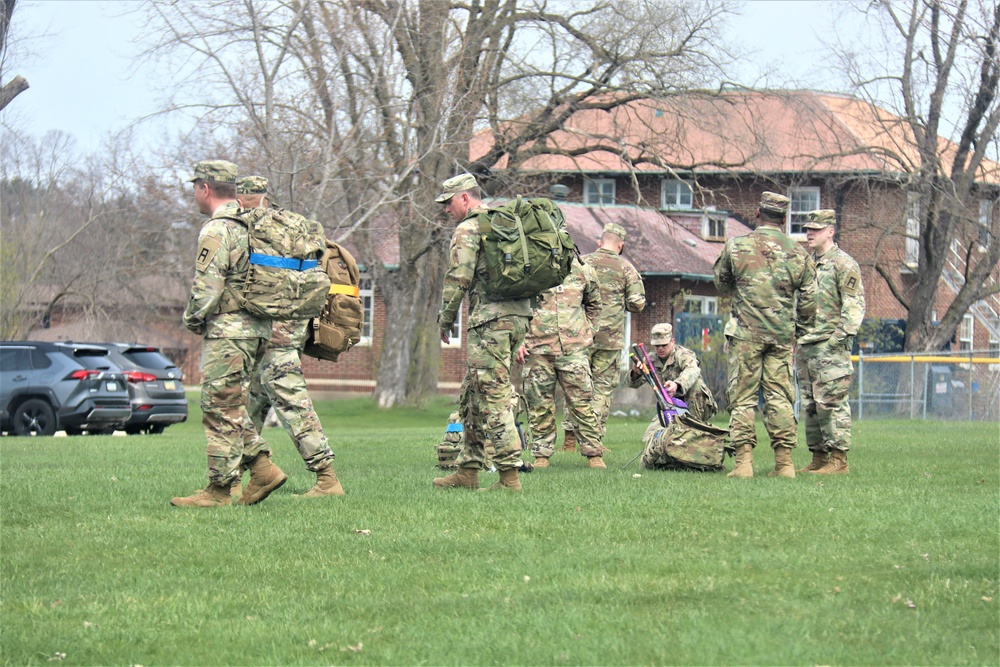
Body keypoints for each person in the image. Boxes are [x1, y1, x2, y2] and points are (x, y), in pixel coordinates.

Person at [171, 160, 287, 507]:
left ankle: (219, 489)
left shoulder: (217, 229)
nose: (195, 193)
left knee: (217, 405)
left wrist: (192, 319)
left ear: (205, 189)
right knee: (232, 403)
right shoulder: (254, 224)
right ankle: (263, 468)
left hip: (228, 331)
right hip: (258, 328)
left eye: (195, 187)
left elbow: (207, 287)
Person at [237, 176, 345, 497]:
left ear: (243, 198)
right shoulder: (294, 224)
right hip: (296, 322)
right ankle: (234, 478)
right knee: (250, 399)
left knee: (290, 400)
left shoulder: (245, 226)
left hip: (269, 327)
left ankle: (327, 479)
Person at [433, 173, 532, 492]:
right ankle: (468, 469)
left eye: (448, 203)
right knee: (474, 392)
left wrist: (445, 319)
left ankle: (508, 477)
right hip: (518, 316)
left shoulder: (469, 228)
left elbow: (458, 278)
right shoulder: (505, 224)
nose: (446, 210)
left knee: (493, 396)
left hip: (490, 322)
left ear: (464, 197)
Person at [713, 191, 816, 479]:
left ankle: (743, 463)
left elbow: (721, 283)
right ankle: (784, 464)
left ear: (757, 214)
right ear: (784, 219)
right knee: (780, 397)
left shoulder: (738, 246)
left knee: (743, 398)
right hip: (782, 337)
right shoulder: (799, 253)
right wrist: (800, 329)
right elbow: (810, 301)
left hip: (745, 335)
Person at [516, 258, 606, 468]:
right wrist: (518, 340)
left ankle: (594, 453)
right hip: (536, 346)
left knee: (582, 402)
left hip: (573, 348)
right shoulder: (528, 265)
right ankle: (541, 454)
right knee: (539, 404)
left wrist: (589, 332)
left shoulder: (583, 270)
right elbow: (515, 304)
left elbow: (595, 304)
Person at [564, 222, 646, 450]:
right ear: (620, 246)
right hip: (609, 339)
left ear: (599, 242)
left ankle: (570, 439)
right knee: (601, 388)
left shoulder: (583, 262)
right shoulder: (626, 268)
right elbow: (637, 304)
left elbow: (567, 295)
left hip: (580, 336)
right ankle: (594, 440)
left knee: (576, 385)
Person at [796, 209, 865, 475]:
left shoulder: (843, 264)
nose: (809, 233)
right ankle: (819, 458)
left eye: (815, 229)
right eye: (807, 229)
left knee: (831, 403)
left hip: (829, 347)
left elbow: (854, 308)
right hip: (807, 346)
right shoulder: (807, 263)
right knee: (811, 406)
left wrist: (836, 341)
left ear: (830, 231)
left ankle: (838, 460)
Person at [628, 322, 717, 443]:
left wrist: (677, 384)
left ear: (672, 341)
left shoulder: (683, 355)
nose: (660, 348)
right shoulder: (650, 360)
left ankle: (696, 428)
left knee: (697, 386)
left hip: (695, 405)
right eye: (657, 345)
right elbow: (633, 384)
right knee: (650, 438)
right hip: (669, 407)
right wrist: (636, 372)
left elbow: (693, 370)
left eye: (664, 345)